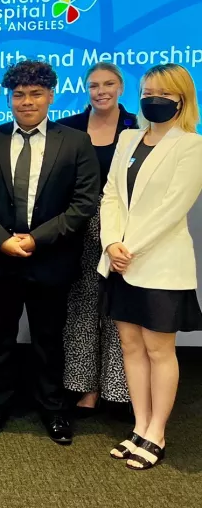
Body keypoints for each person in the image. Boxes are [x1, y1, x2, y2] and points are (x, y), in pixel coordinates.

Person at [0, 60, 99, 445]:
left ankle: (53, 408)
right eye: (19, 94)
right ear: (9, 98)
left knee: (48, 338)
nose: (27, 101)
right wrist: (1, 239)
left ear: (50, 96)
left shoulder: (75, 141)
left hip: (51, 259)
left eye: (35, 94)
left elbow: (84, 202)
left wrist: (36, 239)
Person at [98, 63, 202, 471]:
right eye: (146, 91)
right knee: (130, 347)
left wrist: (131, 247)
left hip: (160, 265)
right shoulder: (127, 139)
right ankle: (139, 427)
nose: (152, 99)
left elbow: (172, 208)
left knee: (160, 350)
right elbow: (110, 197)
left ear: (182, 99)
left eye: (162, 92)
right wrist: (112, 243)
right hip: (122, 261)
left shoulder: (191, 146)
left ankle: (157, 432)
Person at [57, 63, 138, 412]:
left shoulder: (139, 126)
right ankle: (83, 387)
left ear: (121, 87)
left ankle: (118, 390)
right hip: (81, 226)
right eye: (93, 85)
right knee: (83, 307)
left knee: (120, 308)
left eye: (108, 84)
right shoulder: (70, 127)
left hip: (127, 228)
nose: (100, 91)